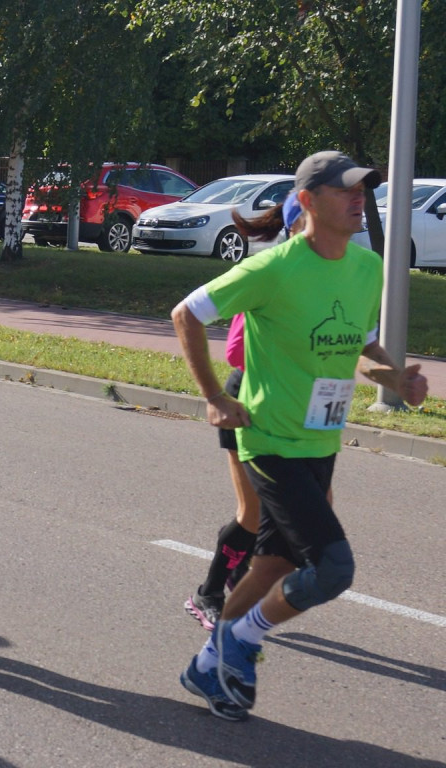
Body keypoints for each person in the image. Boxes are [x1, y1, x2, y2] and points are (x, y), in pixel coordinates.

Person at [171, 150, 428, 721]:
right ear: (309, 202)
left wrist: (396, 379)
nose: (360, 198)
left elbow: (359, 347)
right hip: (269, 440)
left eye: (363, 189)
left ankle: (208, 664)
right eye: (347, 191)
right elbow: (187, 314)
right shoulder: (273, 269)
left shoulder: (366, 269)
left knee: (272, 565)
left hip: (322, 441)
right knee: (333, 568)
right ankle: (242, 640)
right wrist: (216, 397)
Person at [184, 191, 306, 631]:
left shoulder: (330, 276)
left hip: (296, 413)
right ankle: (209, 593)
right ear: (298, 223)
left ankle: (240, 579)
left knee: (285, 519)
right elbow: (234, 347)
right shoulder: (271, 274)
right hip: (248, 402)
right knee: (253, 514)